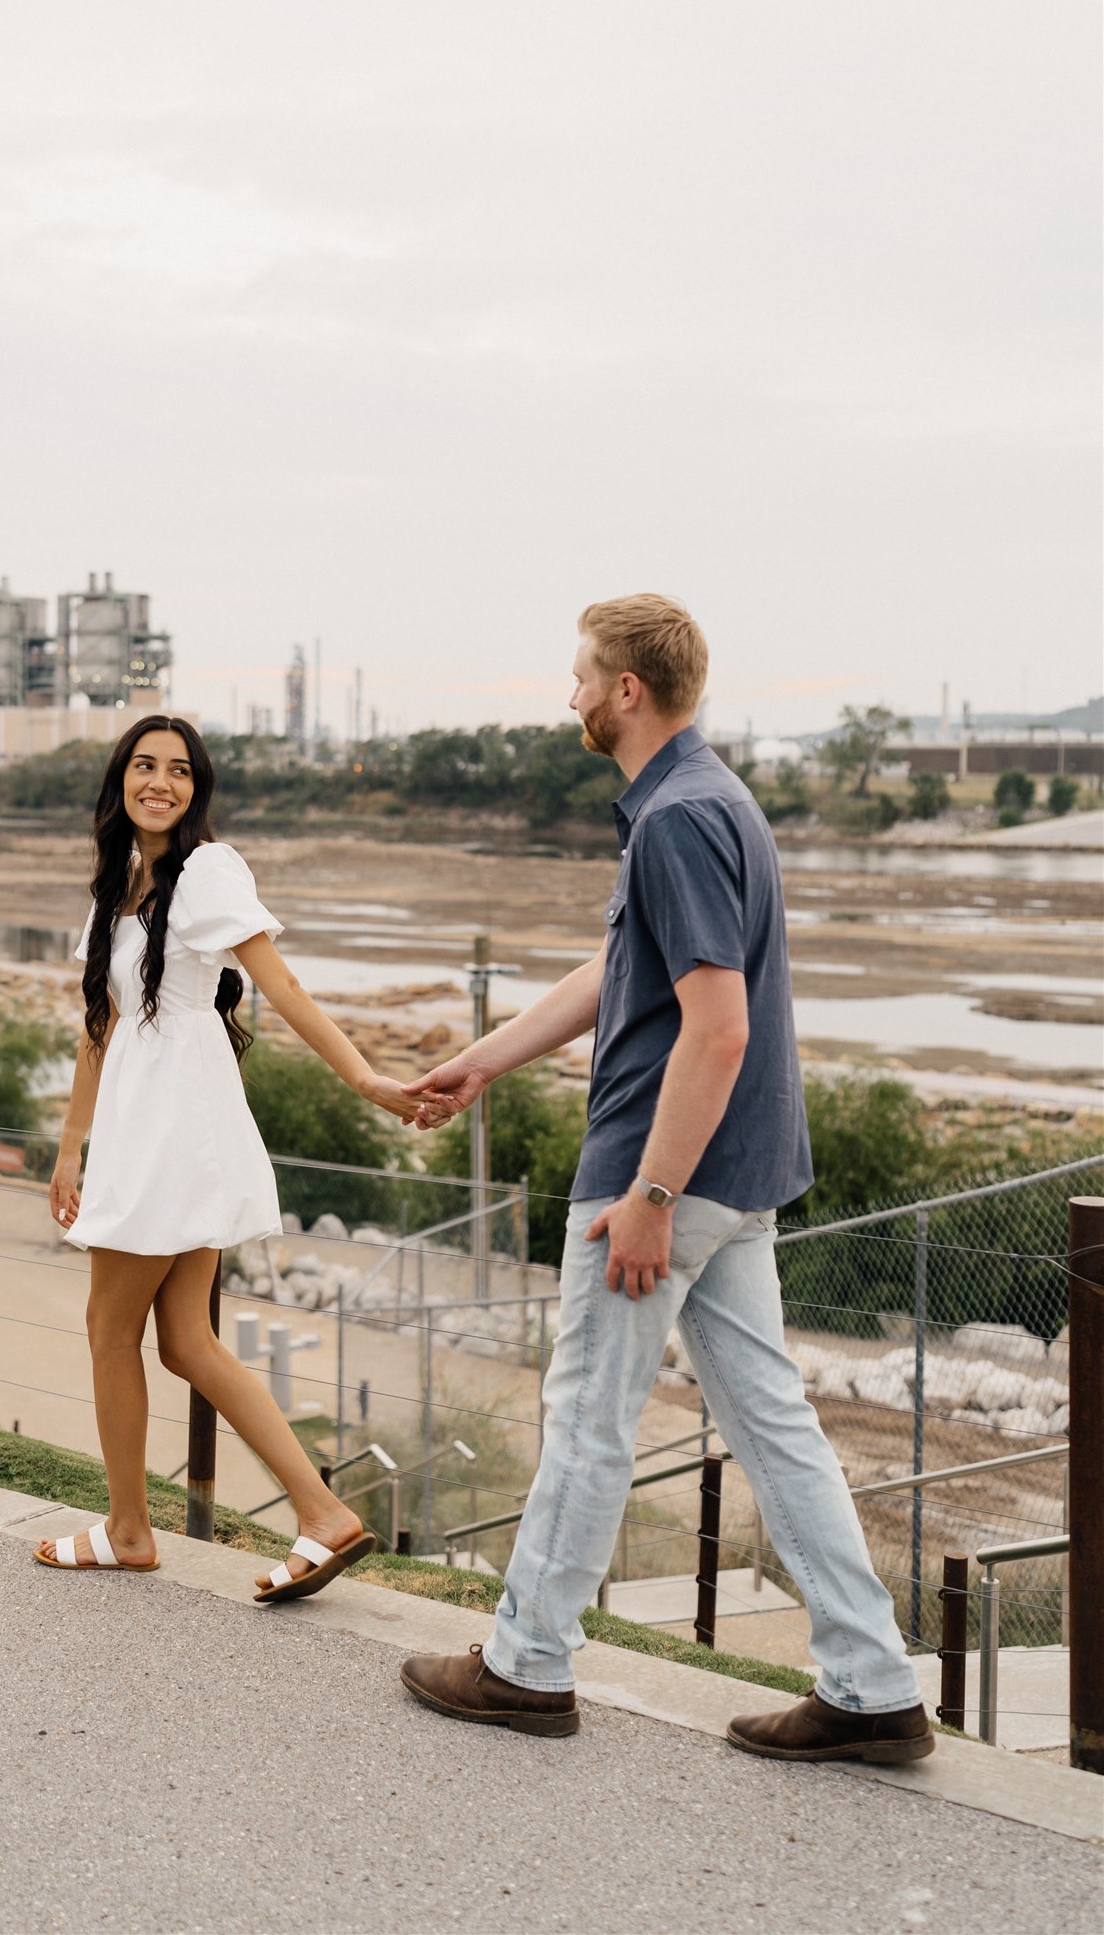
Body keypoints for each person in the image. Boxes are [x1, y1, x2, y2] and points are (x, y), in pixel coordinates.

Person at [397, 596, 933, 1763]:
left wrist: (647, 1196)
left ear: (627, 689)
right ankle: (874, 1682)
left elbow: (718, 1027)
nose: (572, 695)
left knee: (589, 1418)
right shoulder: (707, 798)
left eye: (582, 676)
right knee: (775, 1425)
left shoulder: (678, 818)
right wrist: (485, 1060)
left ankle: (525, 1663)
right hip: (733, 1178)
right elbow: (620, 968)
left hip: (663, 1177)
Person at [35, 713, 423, 1602]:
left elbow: (280, 983)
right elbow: (99, 1028)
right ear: (120, 780)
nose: (160, 782)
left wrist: (365, 1079)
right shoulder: (113, 891)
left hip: (175, 1128)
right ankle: (323, 1513)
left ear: (196, 789)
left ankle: (129, 1531)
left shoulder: (206, 870)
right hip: (151, 1126)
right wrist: (69, 1148)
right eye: (144, 765)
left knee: (109, 1331)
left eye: (179, 770)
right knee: (185, 1340)